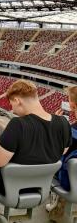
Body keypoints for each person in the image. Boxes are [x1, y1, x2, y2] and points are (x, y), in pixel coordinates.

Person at [0, 80, 72, 198]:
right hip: (41, 186)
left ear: (17, 100)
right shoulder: (63, 122)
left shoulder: (18, 124)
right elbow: (62, 151)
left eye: (12, 104)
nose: (13, 110)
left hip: (10, 187)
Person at [46, 85, 77, 218]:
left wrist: (56, 127)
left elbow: (55, 151)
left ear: (73, 106)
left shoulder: (72, 131)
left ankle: (56, 204)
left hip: (70, 182)